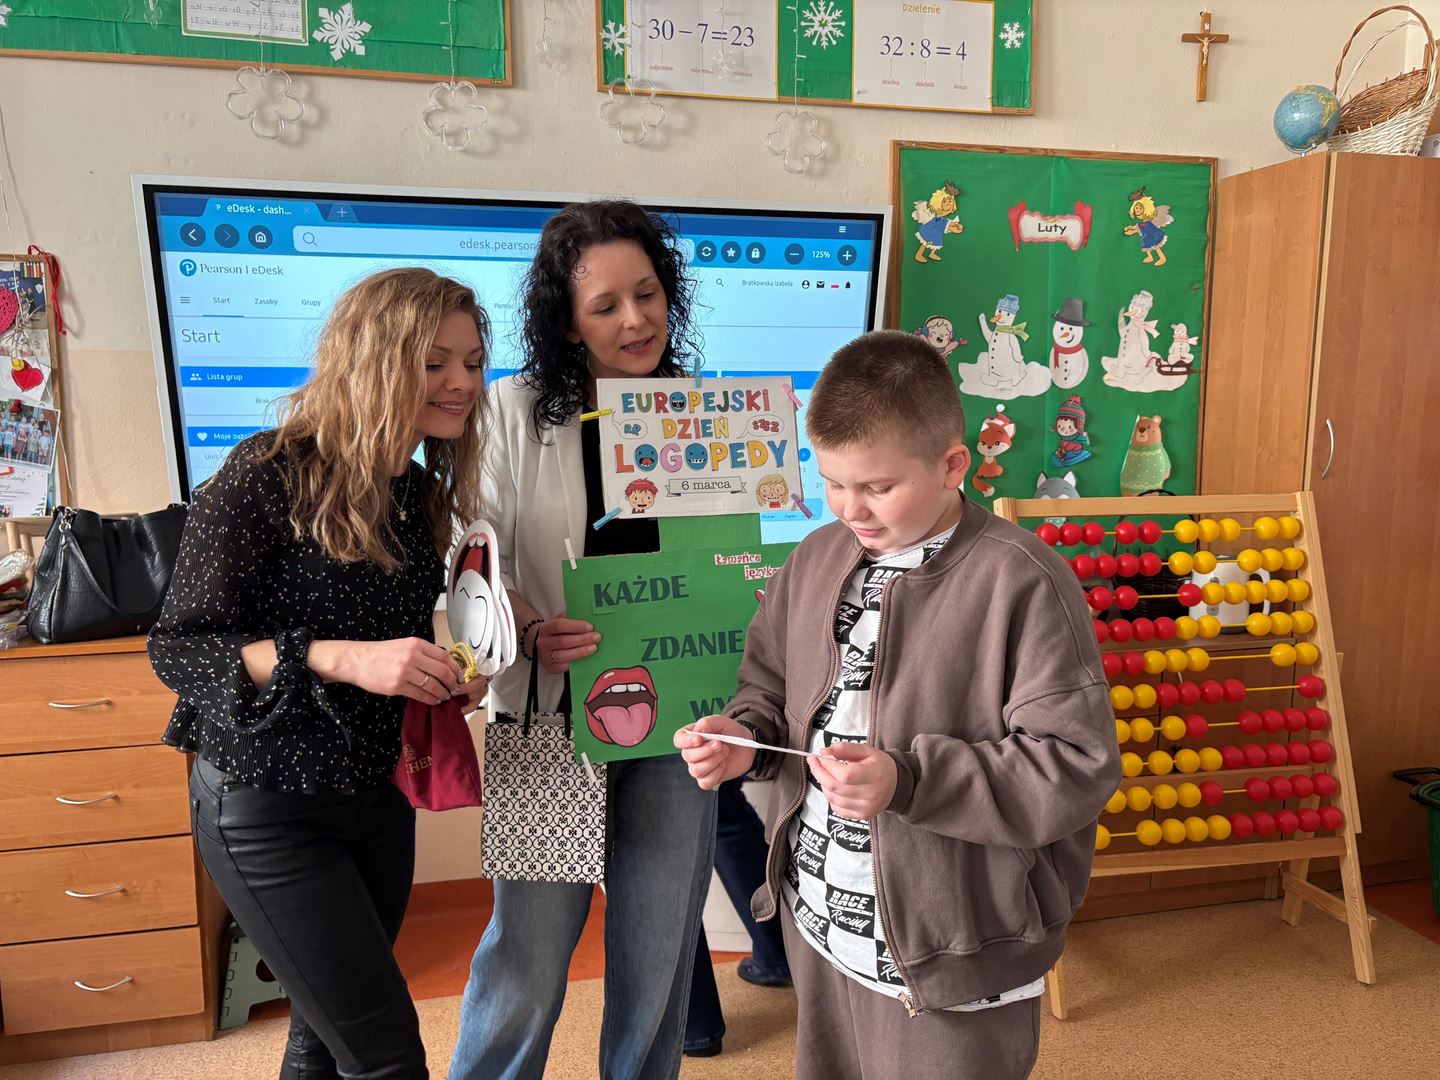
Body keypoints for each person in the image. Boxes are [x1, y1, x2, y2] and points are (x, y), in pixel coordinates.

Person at [675, 330, 1120, 1080]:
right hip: (819, 918)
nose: (851, 508)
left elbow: (1076, 765)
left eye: (878, 487)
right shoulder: (815, 557)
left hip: (958, 938)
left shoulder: (1023, 581)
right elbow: (768, 685)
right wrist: (745, 736)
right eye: (832, 482)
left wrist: (908, 780)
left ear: (952, 465)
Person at [149, 268, 493, 1080]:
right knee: (386, 1052)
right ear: (373, 361)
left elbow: (392, 639)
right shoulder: (268, 471)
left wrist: (443, 675)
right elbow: (180, 648)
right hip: (267, 805)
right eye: (435, 362)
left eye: (474, 362)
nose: (462, 383)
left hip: (376, 795)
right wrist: (340, 657)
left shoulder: (415, 489)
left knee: (323, 1038)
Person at [449, 200, 716, 1080]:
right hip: (548, 721)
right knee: (526, 955)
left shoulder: (700, 414)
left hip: (675, 722)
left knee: (658, 954)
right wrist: (526, 623)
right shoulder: (512, 408)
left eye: (648, 294)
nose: (635, 320)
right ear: (567, 323)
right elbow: (470, 550)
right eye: (606, 306)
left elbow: (724, 563)